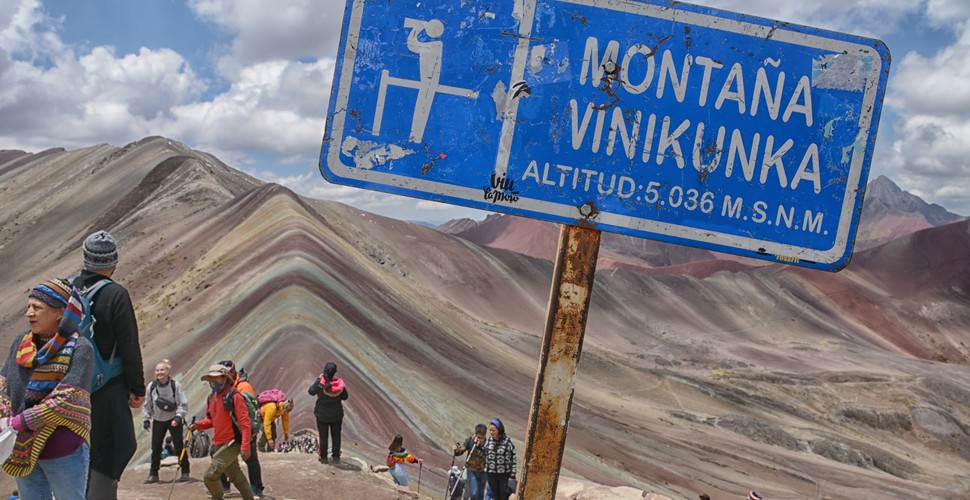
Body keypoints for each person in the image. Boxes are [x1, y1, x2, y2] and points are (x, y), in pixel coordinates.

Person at [0, 278, 94, 499]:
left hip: (63, 449)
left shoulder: (80, 349)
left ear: (60, 312)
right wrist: (4, 416)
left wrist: (17, 422)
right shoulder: (20, 344)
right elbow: (3, 383)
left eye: (37, 307)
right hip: (22, 447)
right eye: (29, 307)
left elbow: (67, 399)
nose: (29, 313)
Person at [77, 230, 146, 500]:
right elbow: (129, 344)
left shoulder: (69, 290)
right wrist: (137, 388)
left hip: (71, 387)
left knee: (78, 448)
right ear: (113, 262)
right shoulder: (116, 294)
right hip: (107, 389)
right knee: (113, 447)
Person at [188, 364, 254, 500]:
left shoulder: (234, 396)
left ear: (225, 378)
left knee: (210, 476)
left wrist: (245, 446)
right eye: (211, 379)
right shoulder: (212, 397)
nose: (213, 382)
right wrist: (197, 425)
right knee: (236, 476)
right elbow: (211, 421)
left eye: (217, 378)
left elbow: (245, 423)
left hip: (232, 442)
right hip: (219, 442)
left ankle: (217, 498)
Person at [217, 360, 264, 497]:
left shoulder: (243, 387)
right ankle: (224, 485)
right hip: (228, 428)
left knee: (250, 459)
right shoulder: (221, 386)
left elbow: (249, 411)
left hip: (243, 428)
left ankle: (256, 487)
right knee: (222, 456)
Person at [142, 359, 189, 483]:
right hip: (158, 420)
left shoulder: (175, 386)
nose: (159, 372)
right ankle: (153, 474)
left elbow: (182, 404)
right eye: (157, 370)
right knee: (156, 447)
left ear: (168, 371)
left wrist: (178, 417)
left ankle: (185, 471)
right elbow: (147, 404)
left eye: (162, 370)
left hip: (173, 420)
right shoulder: (151, 387)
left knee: (179, 445)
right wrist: (146, 419)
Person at [308, 362, 348, 464]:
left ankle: (324, 458)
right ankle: (335, 457)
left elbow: (311, 391)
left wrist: (319, 380)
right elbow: (345, 396)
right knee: (336, 435)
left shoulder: (321, 383)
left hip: (322, 414)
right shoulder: (339, 384)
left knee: (323, 436)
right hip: (336, 414)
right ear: (335, 372)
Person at [483, 418, 516, 500]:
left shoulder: (508, 442)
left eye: (493, 430)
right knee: (496, 497)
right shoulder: (488, 442)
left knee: (504, 496)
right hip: (491, 475)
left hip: (503, 475)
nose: (491, 432)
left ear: (499, 430)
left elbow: (513, 459)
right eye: (490, 430)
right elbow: (484, 455)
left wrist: (513, 474)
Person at [452, 424, 488, 500]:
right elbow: (461, 450)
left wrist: (479, 447)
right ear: (475, 434)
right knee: (474, 493)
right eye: (478, 437)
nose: (479, 439)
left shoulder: (487, 444)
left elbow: (487, 456)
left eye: (481, 438)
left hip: (483, 472)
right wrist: (457, 450)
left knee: (480, 494)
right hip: (471, 470)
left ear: (484, 436)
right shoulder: (470, 441)